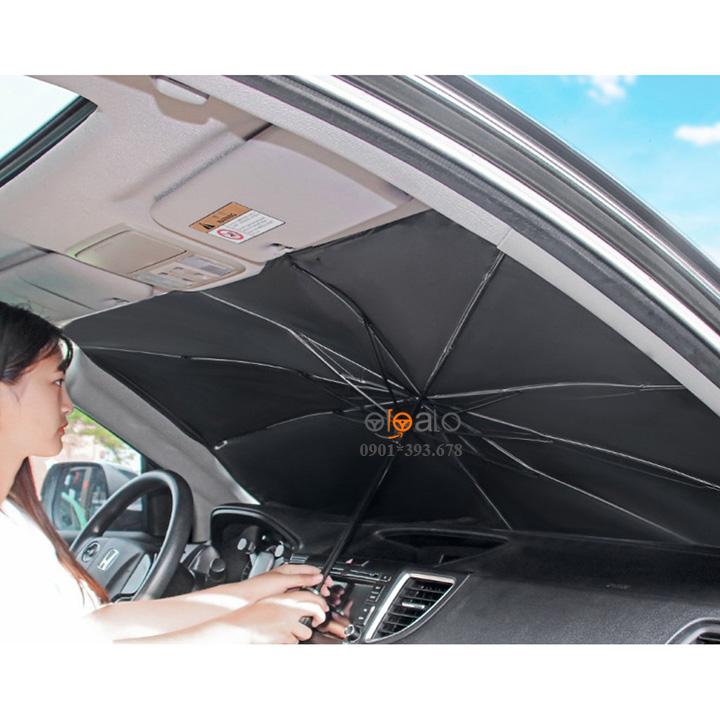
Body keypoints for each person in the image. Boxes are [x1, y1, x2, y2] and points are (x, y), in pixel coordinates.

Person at [0, 300, 332, 643]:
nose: (68, 404)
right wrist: (238, 631)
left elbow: (94, 626)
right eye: (56, 382)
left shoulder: (14, 516)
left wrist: (252, 593)